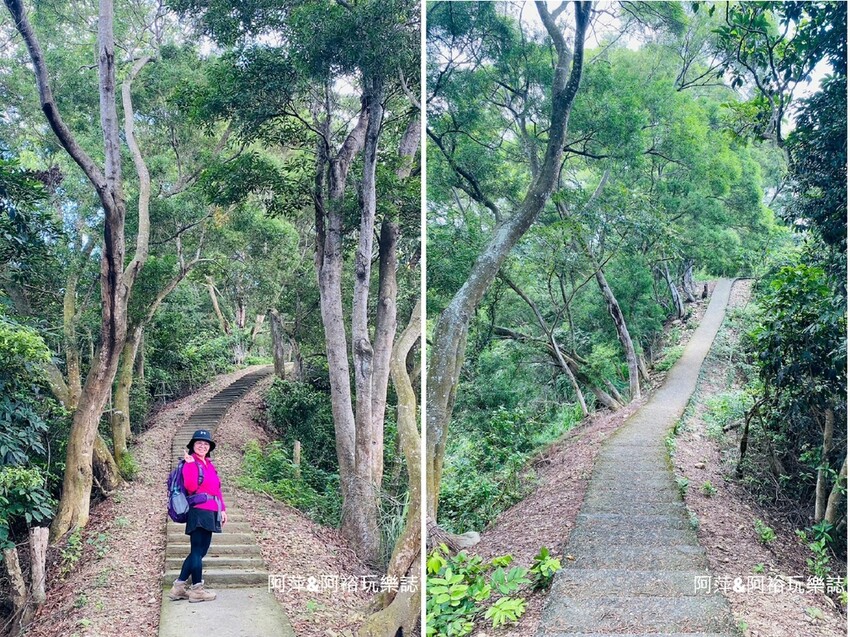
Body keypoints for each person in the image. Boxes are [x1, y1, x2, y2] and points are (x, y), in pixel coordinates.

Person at [168, 429, 228, 603]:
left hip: (211, 510)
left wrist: (222, 509)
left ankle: (179, 587)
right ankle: (197, 590)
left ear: (209, 447)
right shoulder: (191, 462)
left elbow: (217, 490)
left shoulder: (209, 464)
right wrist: (189, 465)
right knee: (197, 551)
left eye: (205, 444)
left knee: (200, 551)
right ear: (193, 446)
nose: (202, 446)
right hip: (198, 510)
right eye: (199, 443)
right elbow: (192, 487)